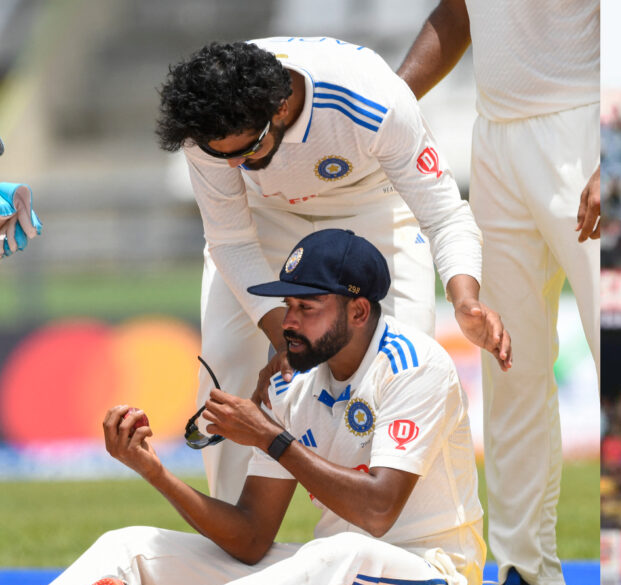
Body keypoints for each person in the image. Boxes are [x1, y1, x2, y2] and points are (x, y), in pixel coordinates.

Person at [0, 229, 489, 585]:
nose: (289, 322)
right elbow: (252, 538)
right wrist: (155, 472)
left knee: (339, 553)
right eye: (288, 306)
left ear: (358, 310)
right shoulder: (289, 385)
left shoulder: (414, 366)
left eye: (306, 307)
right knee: (131, 546)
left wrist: (271, 438)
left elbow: (379, 510)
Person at [155, 38, 511, 506]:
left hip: (370, 199)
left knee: (404, 359)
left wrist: (464, 298)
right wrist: (288, 343)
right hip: (263, 213)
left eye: (249, 148)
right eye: (224, 156)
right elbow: (231, 242)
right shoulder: (210, 124)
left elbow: (444, 213)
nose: (236, 165)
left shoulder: (372, 100)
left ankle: (389, 546)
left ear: (281, 107)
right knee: (226, 364)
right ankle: (234, 540)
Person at [394, 0, 599, 585]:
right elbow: (459, 11)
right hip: (496, 134)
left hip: (589, 124)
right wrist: (385, 108)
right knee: (509, 362)